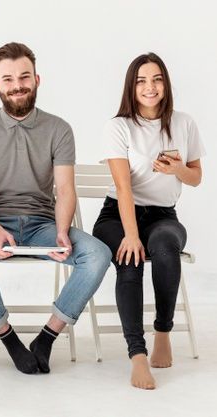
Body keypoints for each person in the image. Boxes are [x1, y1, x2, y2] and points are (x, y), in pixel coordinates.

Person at [0, 42, 111, 374]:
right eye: (8, 79)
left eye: (24, 76)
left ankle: (47, 337)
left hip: (44, 224)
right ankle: (10, 340)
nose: (17, 85)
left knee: (98, 254)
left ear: (37, 79)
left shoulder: (59, 129)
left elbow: (66, 189)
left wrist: (61, 232)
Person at [92, 52, 205, 390]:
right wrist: (130, 235)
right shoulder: (119, 126)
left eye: (156, 79)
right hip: (118, 213)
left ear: (165, 84)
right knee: (131, 259)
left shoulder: (184, 123)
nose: (150, 87)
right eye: (141, 80)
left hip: (162, 216)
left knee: (166, 245)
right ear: (132, 86)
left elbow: (196, 177)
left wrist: (177, 169)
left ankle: (163, 332)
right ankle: (137, 356)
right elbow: (123, 188)